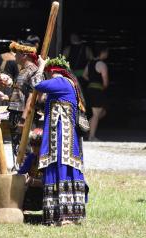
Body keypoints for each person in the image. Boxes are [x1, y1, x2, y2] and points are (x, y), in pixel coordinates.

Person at [34, 55, 88, 226]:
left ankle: (66, 217)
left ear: (53, 72)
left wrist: (41, 67)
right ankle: (58, 216)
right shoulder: (63, 85)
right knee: (57, 170)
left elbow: (37, 84)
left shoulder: (61, 82)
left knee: (63, 170)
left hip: (62, 140)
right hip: (57, 139)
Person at [8, 41, 42, 156]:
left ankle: (27, 172)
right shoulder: (23, 70)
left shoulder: (34, 71)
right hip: (15, 112)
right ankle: (19, 172)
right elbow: (21, 93)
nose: (14, 56)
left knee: (26, 147)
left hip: (24, 114)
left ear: (24, 55)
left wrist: (23, 119)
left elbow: (32, 97)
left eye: (16, 53)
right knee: (17, 147)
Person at [83, 45, 109, 141]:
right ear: (102, 52)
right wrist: (102, 87)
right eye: (106, 52)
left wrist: (92, 81)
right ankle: (91, 136)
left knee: (101, 112)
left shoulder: (90, 63)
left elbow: (84, 75)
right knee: (96, 114)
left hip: (90, 89)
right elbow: (105, 81)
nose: (107, 54)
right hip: (97, 90)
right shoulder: (102, 64)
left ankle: (83, 130)